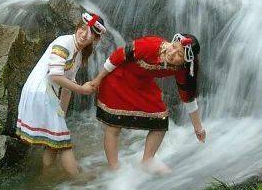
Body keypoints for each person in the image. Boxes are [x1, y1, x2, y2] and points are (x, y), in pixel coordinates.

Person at [86, 33, 206, 173]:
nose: (172, 53)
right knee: (114, 126)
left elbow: (187, 97)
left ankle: (148, 160)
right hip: (119, 79)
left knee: (160, 121)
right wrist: (98, 79)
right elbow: (117, 56)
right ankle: (114, 168)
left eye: (179, 54)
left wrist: (198, 128)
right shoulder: (150, 46)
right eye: (173, 46)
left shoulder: (182, 69)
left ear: (186, 61)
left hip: (142, 85)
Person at [15, 11, 107, 176]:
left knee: (55, 140)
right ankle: (78, 179)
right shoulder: (64, 43)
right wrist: (82, 89)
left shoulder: (79, 54)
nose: (85, 34)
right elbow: (55, 76)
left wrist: (61, 115)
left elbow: (67, 88)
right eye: (83, 29)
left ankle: (45, 177)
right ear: (78, 27)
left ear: (96, 38)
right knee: (63, 142)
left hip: (47, 94)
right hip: (40, 92)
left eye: (91, 33)